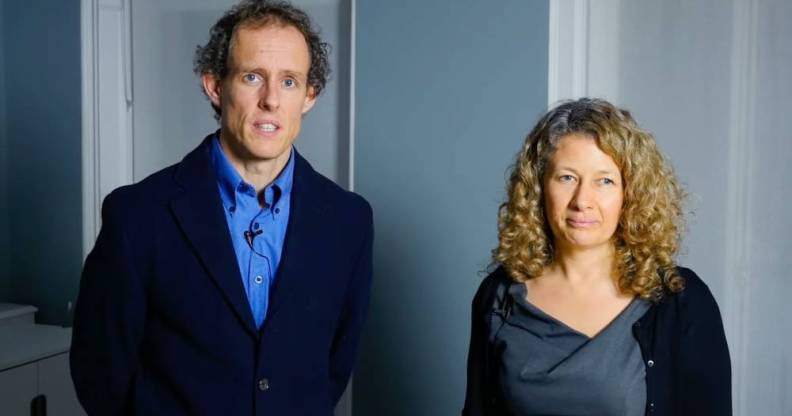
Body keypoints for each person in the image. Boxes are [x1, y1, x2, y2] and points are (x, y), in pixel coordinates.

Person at [70, 1, 373, 414]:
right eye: (252, 77)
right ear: (215, 86)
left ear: (309, 96)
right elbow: (100, 371)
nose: (271, 100)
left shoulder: (349, 220)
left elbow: (334, 366)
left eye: (289, 81)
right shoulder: (138, 215)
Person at [463, 98, 730, 415]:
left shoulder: (681, 300)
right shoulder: (499, 296)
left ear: (630, 194)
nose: (582, 201)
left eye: (604, 181)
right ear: (539, 187)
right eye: (567, 177)